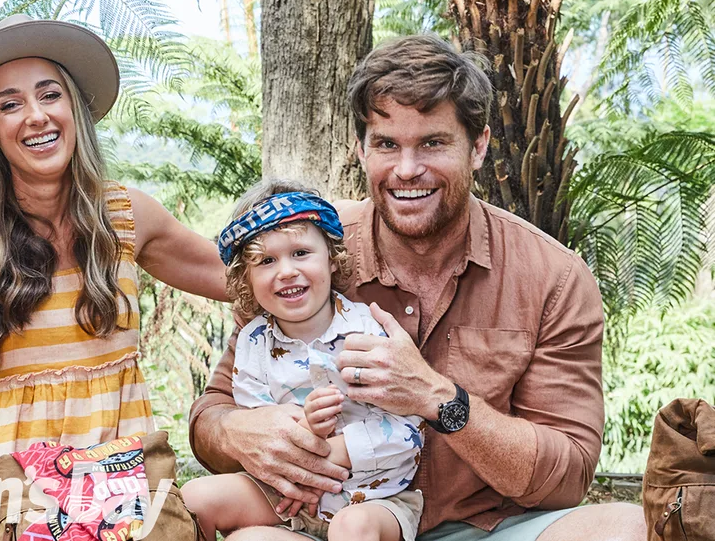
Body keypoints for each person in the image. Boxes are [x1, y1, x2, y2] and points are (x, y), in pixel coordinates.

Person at [188, 34, 646, 541]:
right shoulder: (304, 249)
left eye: (432, 143)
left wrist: (437, 398)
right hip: (323, 522)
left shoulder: (553, 277)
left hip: (485, 529)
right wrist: (238, 431)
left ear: (478, 146)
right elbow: (212, 414)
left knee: (624, 527)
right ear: (360, 150)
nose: (407, 170)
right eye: (387, 144)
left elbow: (568, 478)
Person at [0, 15, 226, 541]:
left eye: (49, 94)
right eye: (9, 105)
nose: (35, 116)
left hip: (114, 491)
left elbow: (241, 279)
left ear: (74, 111)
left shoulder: (126, 217)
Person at [181, 181, 425, 541]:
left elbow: (409, 430)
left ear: (331, 256)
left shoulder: (366, 331)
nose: (286, 271)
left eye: (300, 253)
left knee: (351, 528)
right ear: (245, 278)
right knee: (196, 499)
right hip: (290, 497)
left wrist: (328, 453)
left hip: (373, 496)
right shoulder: (253, 343)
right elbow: (258, 429)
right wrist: (304, 433)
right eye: (266, 260)